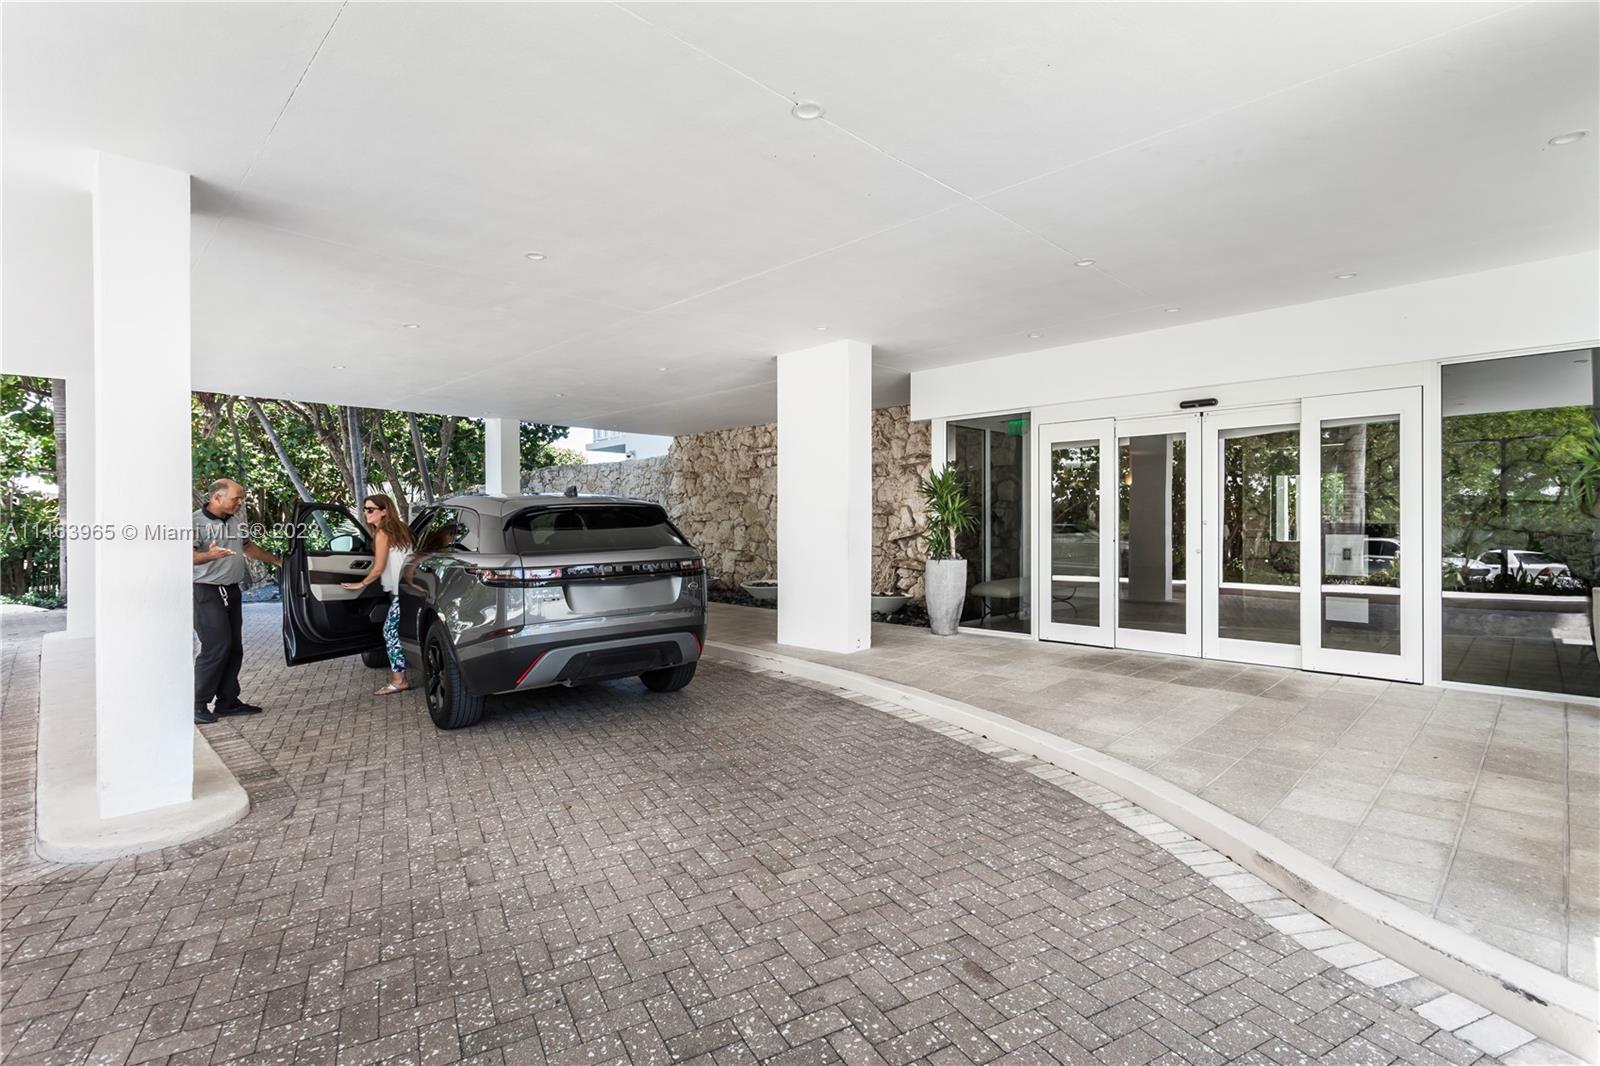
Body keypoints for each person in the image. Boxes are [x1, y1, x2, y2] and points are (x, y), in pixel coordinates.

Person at [193, 478, 281, 724]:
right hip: (206, 591)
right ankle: (197, 704)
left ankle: (227, 702)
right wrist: (209, 555)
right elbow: (186, 557)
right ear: (217, 497)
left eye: (241, 498)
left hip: (231, 590)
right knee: (216, 646)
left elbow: (248, 547)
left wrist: (278, 562)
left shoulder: (235, 521)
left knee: (234, 647)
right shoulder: (195, 523)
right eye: (236, 498)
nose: (240, 503)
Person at [342, 493, 414, 696]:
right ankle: (400, 677)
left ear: (384, 511)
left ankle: (399, 680)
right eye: (365, 509)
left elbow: (378, 567)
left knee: (390, 633)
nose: (366, 513)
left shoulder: (383, 534)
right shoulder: (402, 530)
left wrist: (361, 584)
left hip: (399, 593)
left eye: (371, 509)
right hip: (410, 590)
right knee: (397, 632)